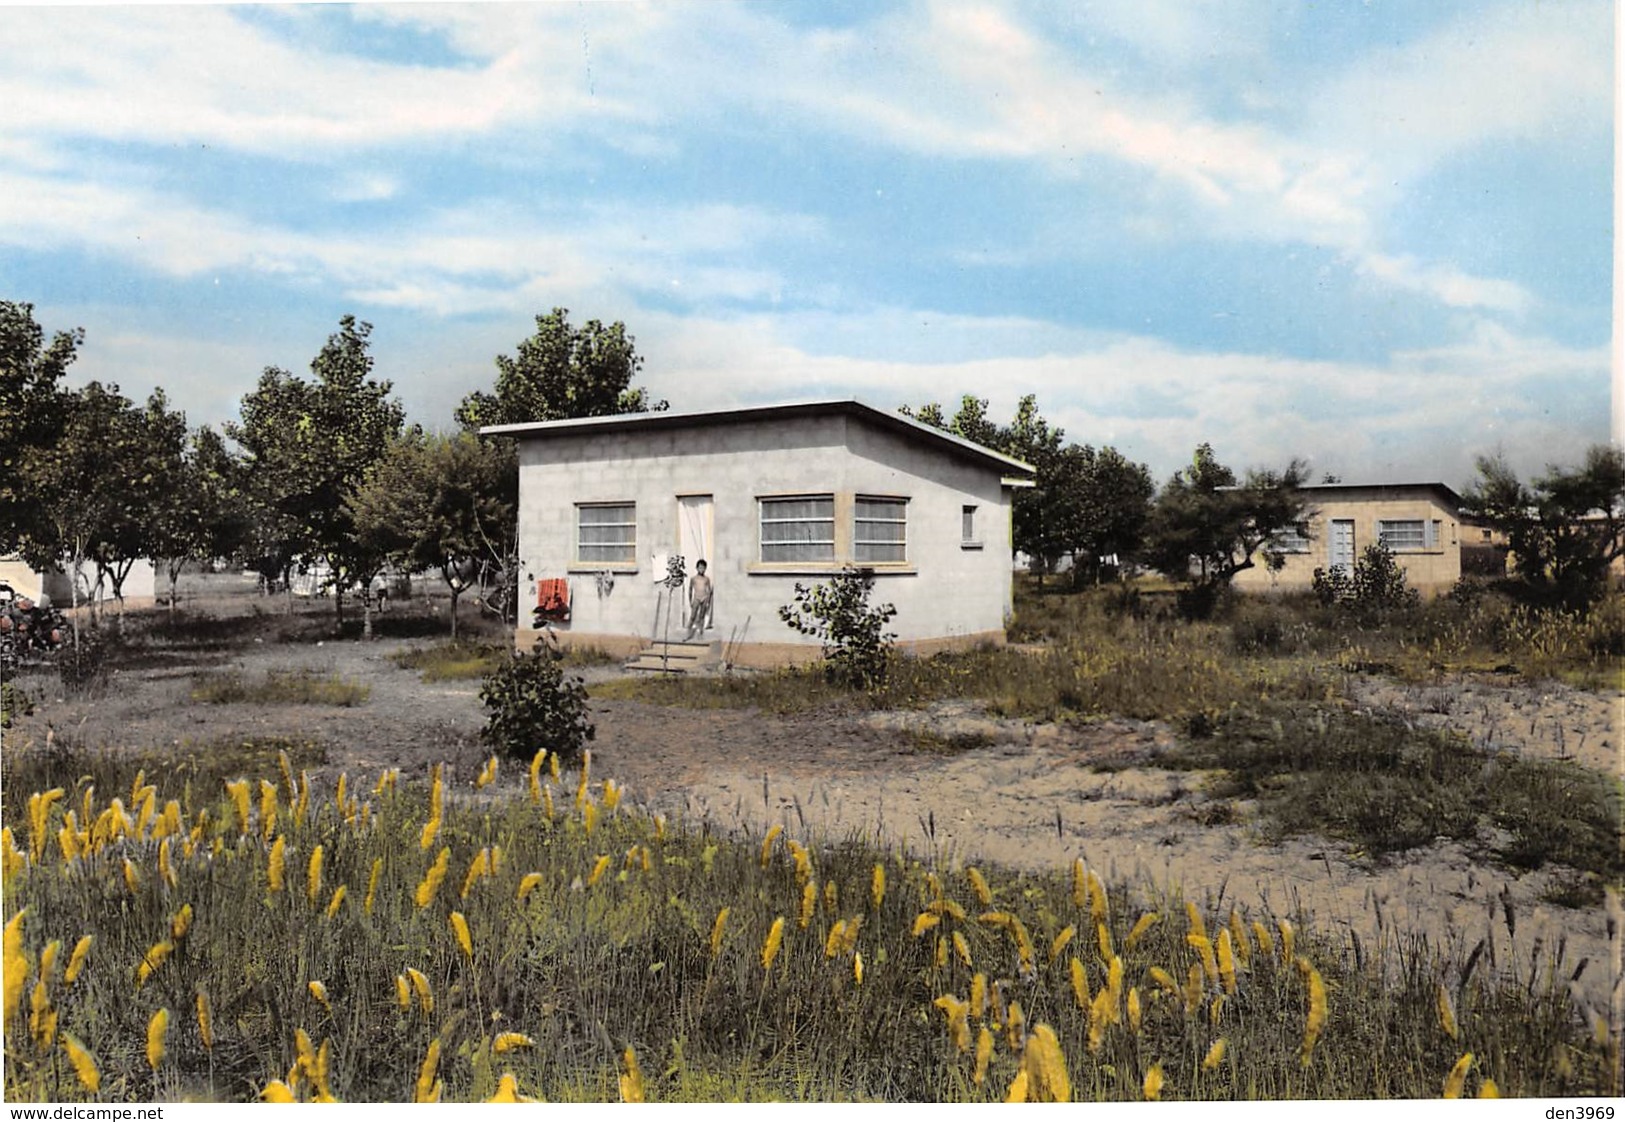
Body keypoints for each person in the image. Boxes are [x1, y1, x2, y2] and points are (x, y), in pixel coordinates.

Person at [684, 559, 713, 640]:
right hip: (696, 597)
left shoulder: (706, 579)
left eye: (703, 568)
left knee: (701, 616)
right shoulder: (694, 578)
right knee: (693, 616)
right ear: (697, 568)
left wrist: (708, 601)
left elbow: (709, 590)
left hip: (704, 598)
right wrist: (690, 600)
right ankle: (688, 633)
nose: (701, 569)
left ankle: (700, 633)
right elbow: (690, 589)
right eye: (700, 568)